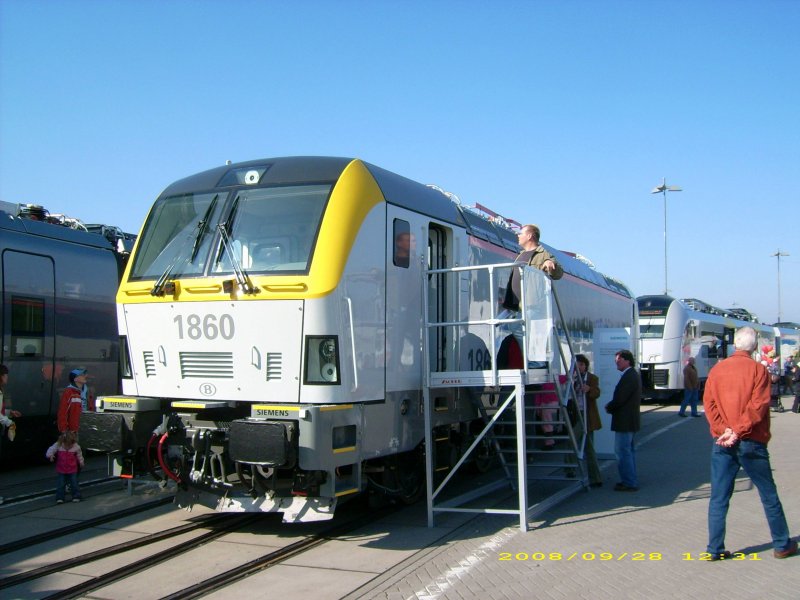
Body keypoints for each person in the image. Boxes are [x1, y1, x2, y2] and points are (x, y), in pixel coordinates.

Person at [702, 326, 797, 560]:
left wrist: (722, 430)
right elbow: (758, 406)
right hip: (751, 441)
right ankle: (781, 544)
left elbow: (709, 404)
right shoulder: (758, 371)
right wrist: (738, 430)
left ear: (735, 344)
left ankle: (714, 548)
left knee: (719, 497)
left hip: (722, 441)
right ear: (754, 346)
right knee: (768, 493)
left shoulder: (717, 370)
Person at [502, 224, 563, 312]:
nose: (518, 235)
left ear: (529, 236)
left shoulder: (543, 254)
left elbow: (559, 274)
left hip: (531, 306)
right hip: (514, 306)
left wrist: (551, 264)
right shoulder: (520, 255)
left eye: (521, 233)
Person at [605, 349, 641, 492]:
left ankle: (629, 482)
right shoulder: (632, 375)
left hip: (625, 421)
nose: (616, 363)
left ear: (627, 360)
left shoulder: (629, 376)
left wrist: (610, 406)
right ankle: (629, 479)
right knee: (628, 451)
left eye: (619, 360)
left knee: (622, 452)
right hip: (629, 420)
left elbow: (621, 398)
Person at [573, 354, 603, 487]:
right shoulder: (572, 378)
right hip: (576, 413)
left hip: (587, 415)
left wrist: (589, 389)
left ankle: (595, 478)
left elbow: (596, 392)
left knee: (585, 445)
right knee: (577, 443)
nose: (579, 367)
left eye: (581, 364)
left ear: (585, 366)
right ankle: (570, 469)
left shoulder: (591, 378)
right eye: (577, 364)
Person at [46, 430, 84, 503]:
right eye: (67, 444)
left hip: (72, 468)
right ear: (63, 442)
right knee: (61, 483)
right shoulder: (59, 445)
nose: (69, 446)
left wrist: (81, 462)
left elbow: (79, 455)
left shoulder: (76, 447)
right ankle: (60, 497)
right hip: (61, 468)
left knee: (74, 483)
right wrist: (50, 455)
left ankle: (76, 496)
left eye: (70, 444)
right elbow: (51, 449)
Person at [57, 368, 91, 434]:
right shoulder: (69, 392)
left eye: (84, 374)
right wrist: (64, 431)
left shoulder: (88, 391)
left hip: (86, 429)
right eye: (81, 375)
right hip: (73, 432)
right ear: (75, 379)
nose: (85, 376)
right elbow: (62, 413)